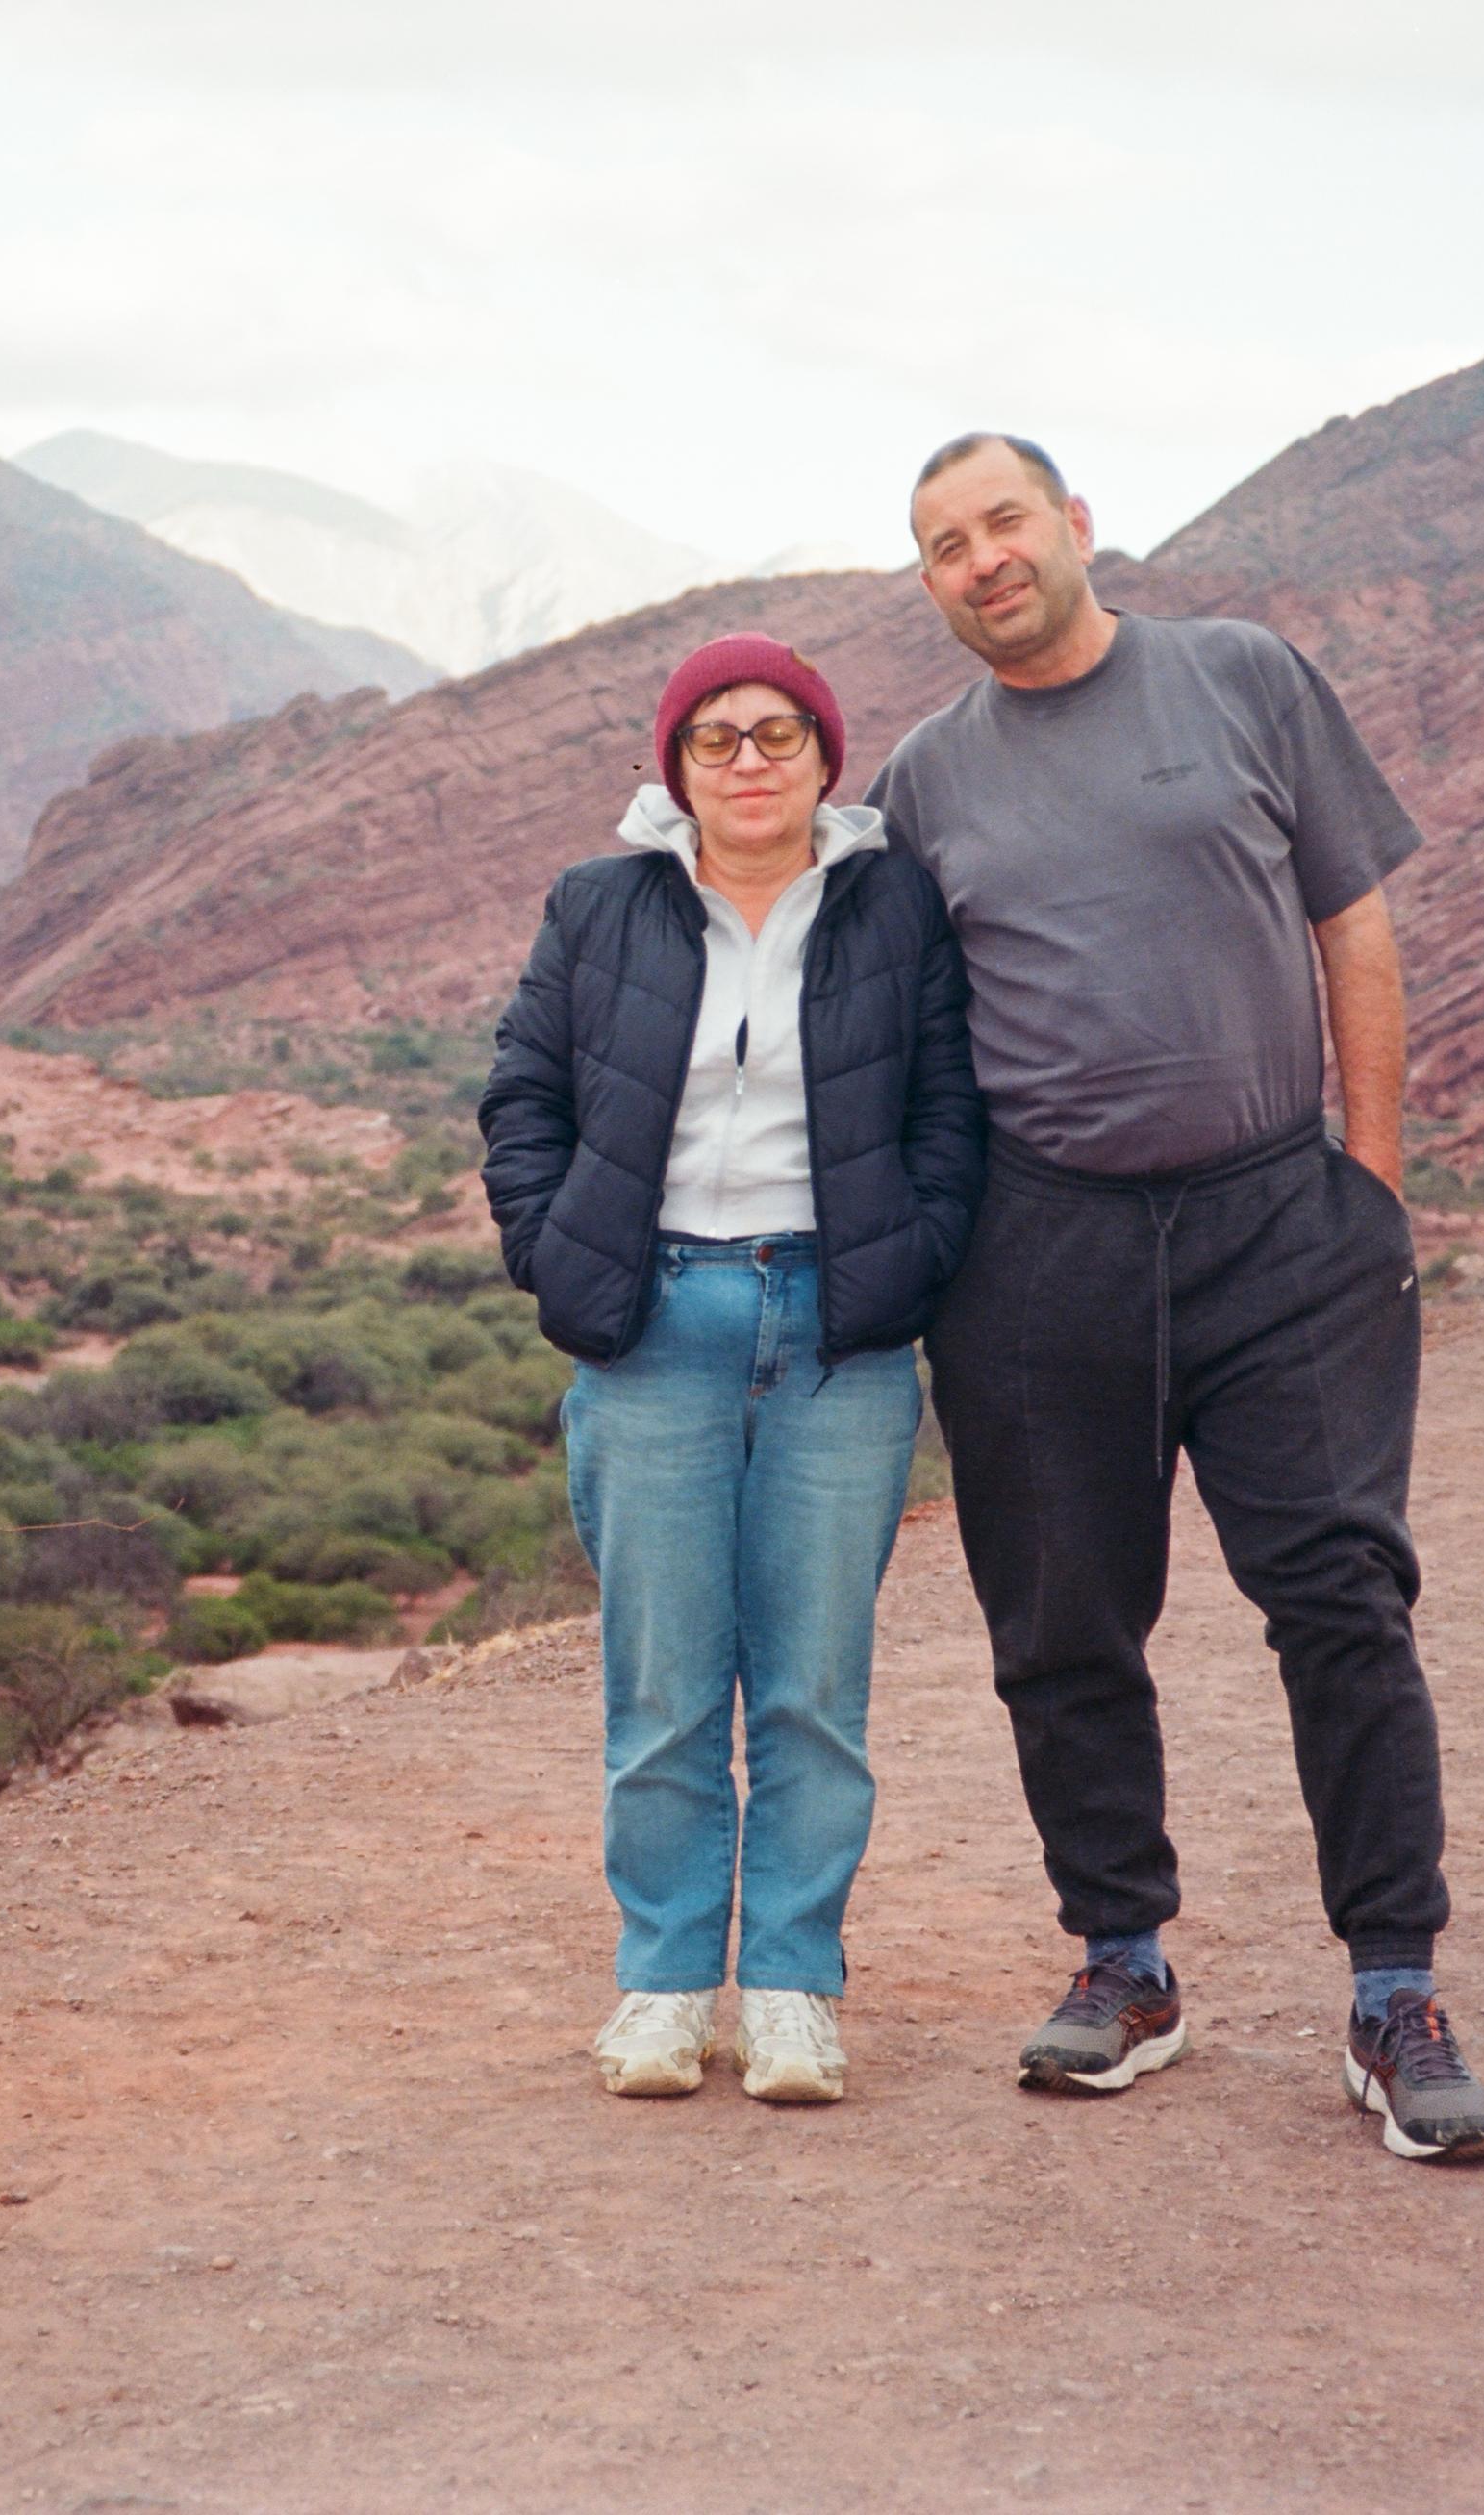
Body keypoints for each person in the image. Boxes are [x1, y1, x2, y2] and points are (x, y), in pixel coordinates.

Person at [868, 433, 1484, 2159]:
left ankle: (1395, 1992)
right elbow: (908, 1035)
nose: (981, 559)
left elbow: (1352, 928)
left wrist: (1367, 1182)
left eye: (1004, 522)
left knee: (1343, 1601)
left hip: (1275, 1226)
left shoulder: (1240, 679)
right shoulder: (928, 782)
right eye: (943, 546)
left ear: (1075, 526)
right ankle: (1122, 1962)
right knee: (1063, 1620)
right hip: (1040, 1249)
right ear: (927, 587)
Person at [478, 632, 986, 2104]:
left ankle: (791, 1991)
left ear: (829, 756)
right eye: (718, 739)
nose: (750, 760)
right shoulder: (601, 906)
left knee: (817, 1687)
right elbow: (523, 1093)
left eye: (779, 734)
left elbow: (952, 1105)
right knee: (666, 1689)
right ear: (675, 764)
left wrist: (912, 1260)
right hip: (654, 1323)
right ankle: (660, 1987)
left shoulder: (895, 905)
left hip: (839, 1330)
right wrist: (556, 1251)